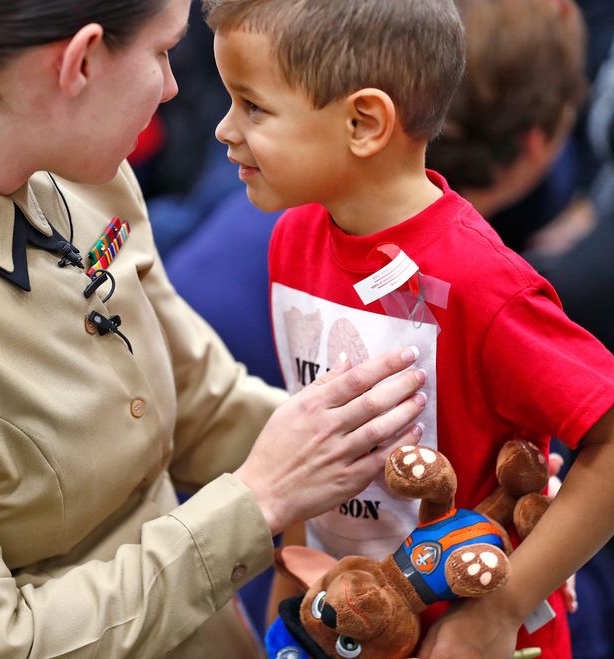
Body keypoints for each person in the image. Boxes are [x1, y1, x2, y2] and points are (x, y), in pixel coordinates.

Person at [0, 0, 431, 657]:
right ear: (79, 62)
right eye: (163, 51)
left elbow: (197, 400)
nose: (171, 86)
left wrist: (403, 461)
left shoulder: (71, 163)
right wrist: (256, 503)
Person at [203, 0, 614, 657]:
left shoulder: (484, 285)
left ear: (364, 122)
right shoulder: (293, 239)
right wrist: (294, 574)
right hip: (347, 621)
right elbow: (319, 427)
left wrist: (498, 611)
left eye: (253, 106)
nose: (225, 129)